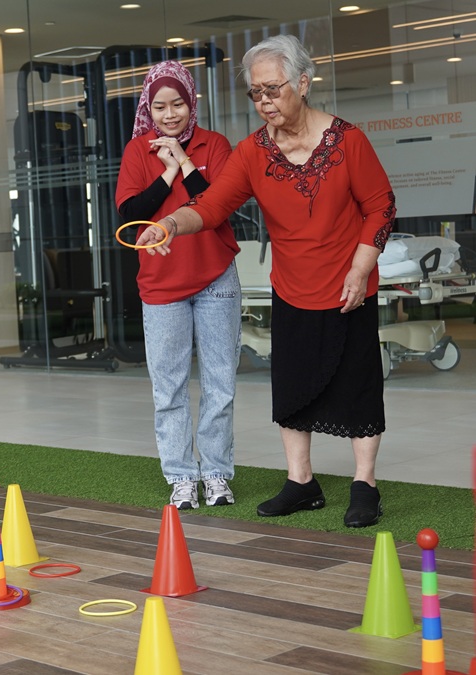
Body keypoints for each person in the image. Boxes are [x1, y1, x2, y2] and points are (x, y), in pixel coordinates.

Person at [137, 34, 395, 528]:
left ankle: (365, 484)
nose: (265, 102)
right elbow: (211, 207)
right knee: (292, 387)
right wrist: (169, 224)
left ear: (303, 82)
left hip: (349, 286)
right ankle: (302, 483)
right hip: (292, 286)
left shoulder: (348, 141)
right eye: (256, 93)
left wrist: (362, 268)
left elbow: (380, 207)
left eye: (273, 90)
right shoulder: (253, 152)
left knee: (359, 386)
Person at [115, 60, 241, 510]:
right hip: (161, 285)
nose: (170, 115)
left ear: (192, 103)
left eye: (178, 105)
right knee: (167, 387)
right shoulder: (137, 152)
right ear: (149, 108)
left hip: (215, 278)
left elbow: (216, 203)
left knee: (220, 382)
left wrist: (185, 159)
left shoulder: (216, 145)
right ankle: (182, 476)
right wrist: (166, 171)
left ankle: (217, 474)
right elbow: (132, 214)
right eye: (160, 106)